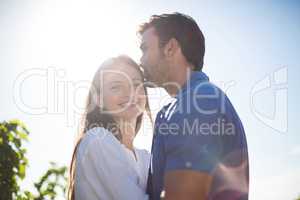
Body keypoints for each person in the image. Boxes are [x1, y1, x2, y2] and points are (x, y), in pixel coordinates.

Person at [139, 13, 249, 200]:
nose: (140, 60)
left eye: (144, 49)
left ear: (170, 48)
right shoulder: (191, 101)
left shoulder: (198, 101)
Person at [67, 55, 152, 200]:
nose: (129, 92)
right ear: (98, 99)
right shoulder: (97, 140)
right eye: (116, 87)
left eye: (136, 84)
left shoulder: (147, 158)